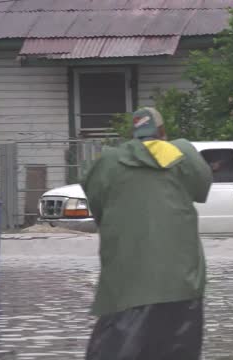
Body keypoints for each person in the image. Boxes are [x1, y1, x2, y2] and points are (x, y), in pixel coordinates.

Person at [82, 107, 213, 360]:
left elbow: (98, 209)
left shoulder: (109, 162)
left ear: (134, 133)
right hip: (183, 288)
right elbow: (202, 188)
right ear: (162, 132)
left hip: (127, 290)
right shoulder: (182, 153)